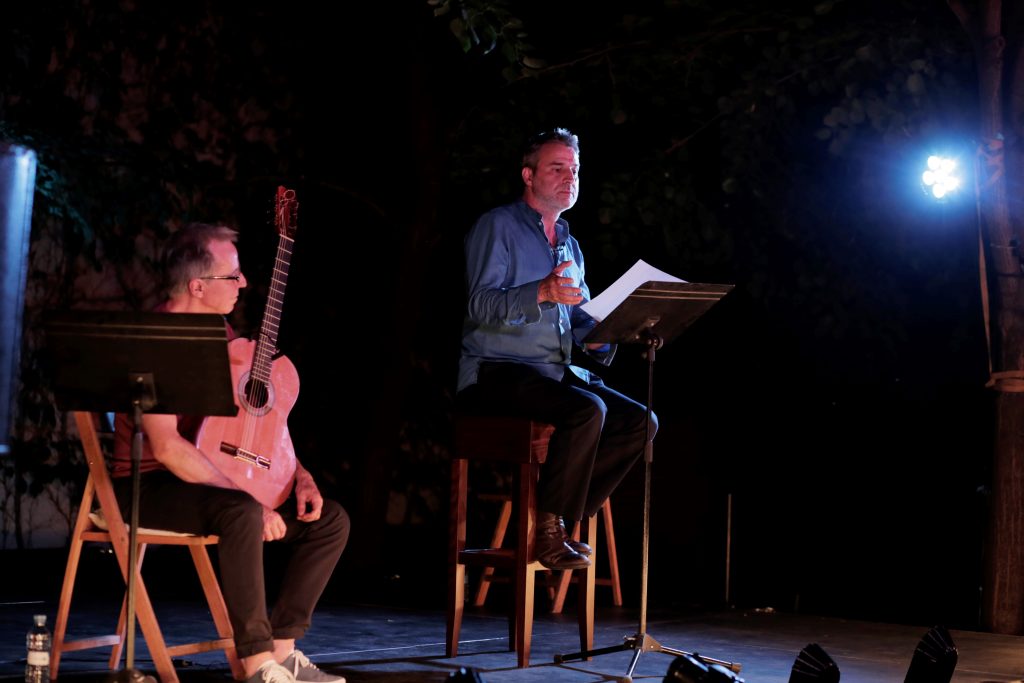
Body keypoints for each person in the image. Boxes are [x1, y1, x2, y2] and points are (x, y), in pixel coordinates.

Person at [111, 223, 350, 683]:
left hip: (211, 481)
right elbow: (167, 448)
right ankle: (256, 665)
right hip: (149, 483)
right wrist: (253, 501)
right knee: (241, 511)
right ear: (197, 285)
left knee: (329, 521)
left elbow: (253, 425)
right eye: (232, 276)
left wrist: (299, 473)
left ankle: (282, 652)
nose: (243, 285)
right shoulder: (156, 341)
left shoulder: (224, 338)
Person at [457, 128, 657, 571]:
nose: (570, 178)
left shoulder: (570, 245)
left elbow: (578, 324)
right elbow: (479, 305)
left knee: (641, 422)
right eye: (557, 168)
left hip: (553, 373)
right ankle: (547, 530)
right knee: (588, 411)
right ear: (528, 175)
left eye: (575, 170)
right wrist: (542, 292)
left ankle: (557, 513)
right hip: (498, 369)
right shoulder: (498, 226)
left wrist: (606, 333)